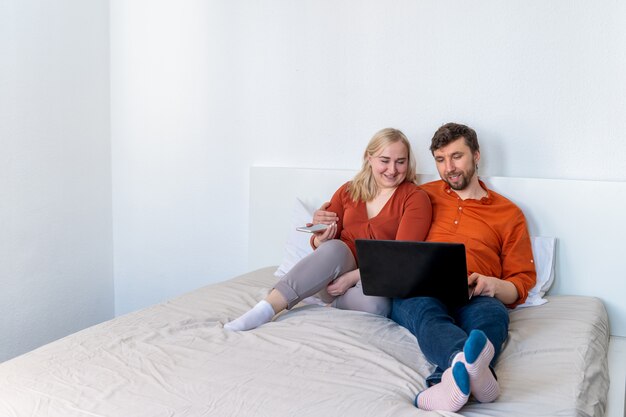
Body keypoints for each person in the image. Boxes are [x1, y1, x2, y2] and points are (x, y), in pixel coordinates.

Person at [390, 122, 537, 412]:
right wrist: (327, 229)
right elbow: (371, 220)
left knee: (493, 318)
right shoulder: (421, 195)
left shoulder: (509, 213)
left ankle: (445, 383)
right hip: (421, 290)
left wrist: (492, 284)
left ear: (476, 156)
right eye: (441, 160)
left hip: (476, 293)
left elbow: (521, 283)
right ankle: (474, 374)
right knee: (426, 315)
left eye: (457, 156)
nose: (449, 168)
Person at [224, 128, 432, 331]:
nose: (392, 169)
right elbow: (321, 244)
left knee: (378, 305)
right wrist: (320, 239)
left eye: (400, 162)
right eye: (384, 161)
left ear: (408, 162)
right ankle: (266, 308)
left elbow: (403, 256)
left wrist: (351, 278)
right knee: (335, 249)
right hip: (337, 267)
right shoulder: (349, 191)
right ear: (369, 158)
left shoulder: (415, 198)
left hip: (378, 276)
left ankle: (334, 303)